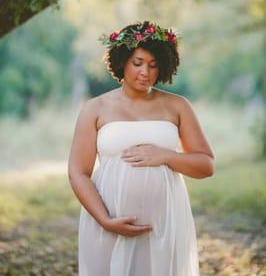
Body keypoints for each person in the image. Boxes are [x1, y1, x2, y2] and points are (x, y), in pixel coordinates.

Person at [68, 20, 215, 276]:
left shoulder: (178, 106)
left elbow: (206, 165)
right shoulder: (95, 108)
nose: (145, 72)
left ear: (164, 67)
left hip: (164, 224)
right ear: (123, 61)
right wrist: (105, 220)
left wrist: (167, 156)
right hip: (107, 222)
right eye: (138, 63)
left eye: (153, 65)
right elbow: (78, 172)